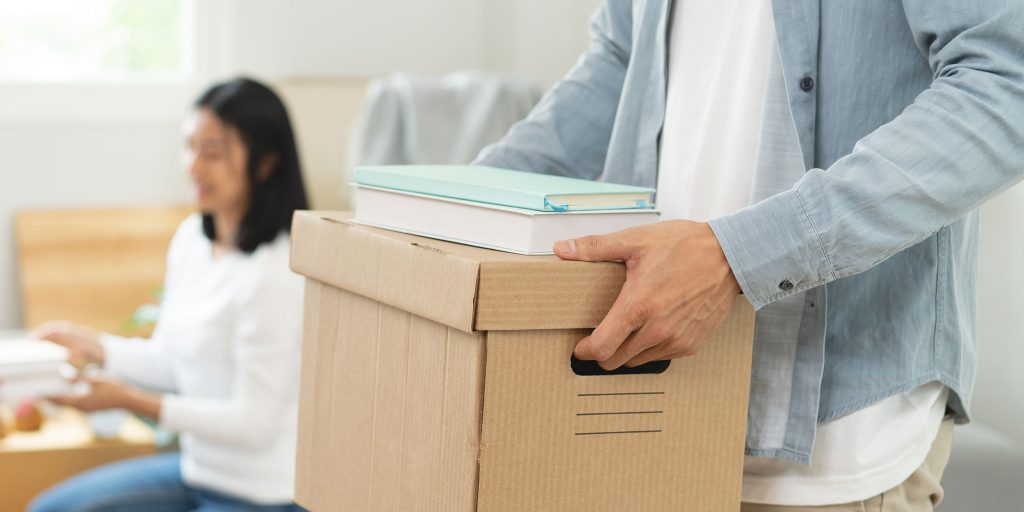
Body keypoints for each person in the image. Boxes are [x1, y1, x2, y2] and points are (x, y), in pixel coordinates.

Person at [475, 0, 1024, 509]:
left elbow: (1005, 84)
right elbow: (620, 62)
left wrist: (736, 256)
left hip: (837, 445)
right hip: (645, 421)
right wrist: (460, 205)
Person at [29, 77, 309, 512]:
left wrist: (130, 400)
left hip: (261, 494)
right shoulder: (192, 240)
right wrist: (95, 346)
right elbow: (173, 362)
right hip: (198, 471)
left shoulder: (276, 271)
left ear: (266, 162)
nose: (193, 166)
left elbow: (255, 423)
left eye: (212, 152)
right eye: (188, 147)